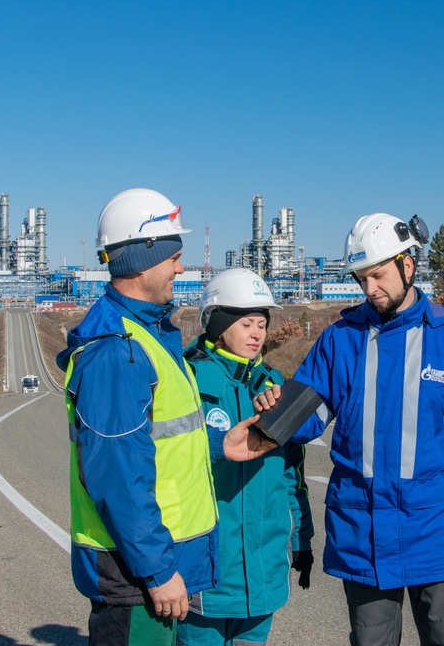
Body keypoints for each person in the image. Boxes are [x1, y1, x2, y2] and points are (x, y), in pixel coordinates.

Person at [256, 212, 444, 646]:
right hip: (361, 533)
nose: (369, 289)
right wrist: (272, 410)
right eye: (361, 279)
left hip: (439, 535)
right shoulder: (340, 340)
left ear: (407, 265)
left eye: (377, 275)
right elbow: (308, 416)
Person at [57, 188, 274, 646]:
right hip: (137, 573)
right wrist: (157, 571)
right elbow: (117, 476)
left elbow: (161, 443)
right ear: (140, 257)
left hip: (153, 562)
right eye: (174, 256)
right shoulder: (120, 351)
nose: (180, 267)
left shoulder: (148, 337)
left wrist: (220, 444)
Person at [177, 268, 314, 646]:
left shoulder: (274, 387)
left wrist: (302, 538)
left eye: (262, 324)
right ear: (218, 325)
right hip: (205, 574)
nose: (257, 334)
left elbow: (292, 473)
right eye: (246, 324)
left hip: (263, 574)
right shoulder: (186, 380)